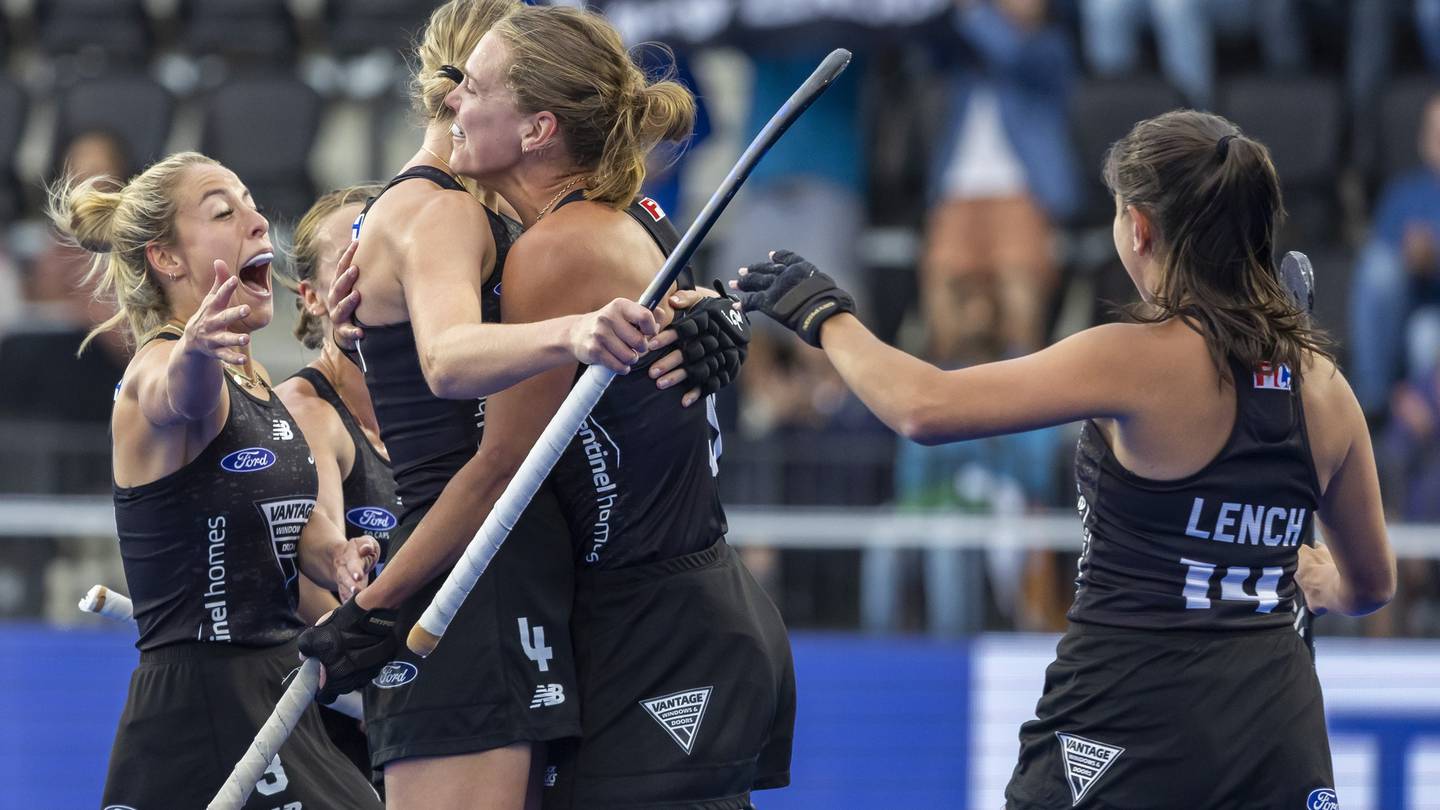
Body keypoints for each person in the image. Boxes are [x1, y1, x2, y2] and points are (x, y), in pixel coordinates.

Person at [734, 110, 1395, 807]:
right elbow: (1369, 585)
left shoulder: (1133, 359)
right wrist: (1315, 577)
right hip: (1276, 740)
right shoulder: (1326, 389)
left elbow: (923, 407)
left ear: (1138, 228)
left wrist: (826, 316)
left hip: (1122, 728)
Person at [302, 6, 791, 808]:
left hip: (659, 626)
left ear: (537, 128)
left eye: (475, 86)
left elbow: (499, 462)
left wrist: (380, 608)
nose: (455, 102)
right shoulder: (615, 216)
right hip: (660, 612)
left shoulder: (554, 247)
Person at [49, 152, 382, 809]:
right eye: (224, 212)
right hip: (200, 705)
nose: (258, 221)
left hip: (275, 684)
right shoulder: (163, 365)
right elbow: (180, 398)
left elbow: (289, 529)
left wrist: (336, 555)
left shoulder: (259, 383)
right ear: (167, 260)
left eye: (252, 203)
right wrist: (196, 354)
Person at [274, 183, 399, 784]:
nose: (371, 273)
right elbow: (311, 577)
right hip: (333, 726)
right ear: (314, 297)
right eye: (350, 257)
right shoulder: (307, 410)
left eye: (384, 251)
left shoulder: (442, 400)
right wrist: (393, 679)